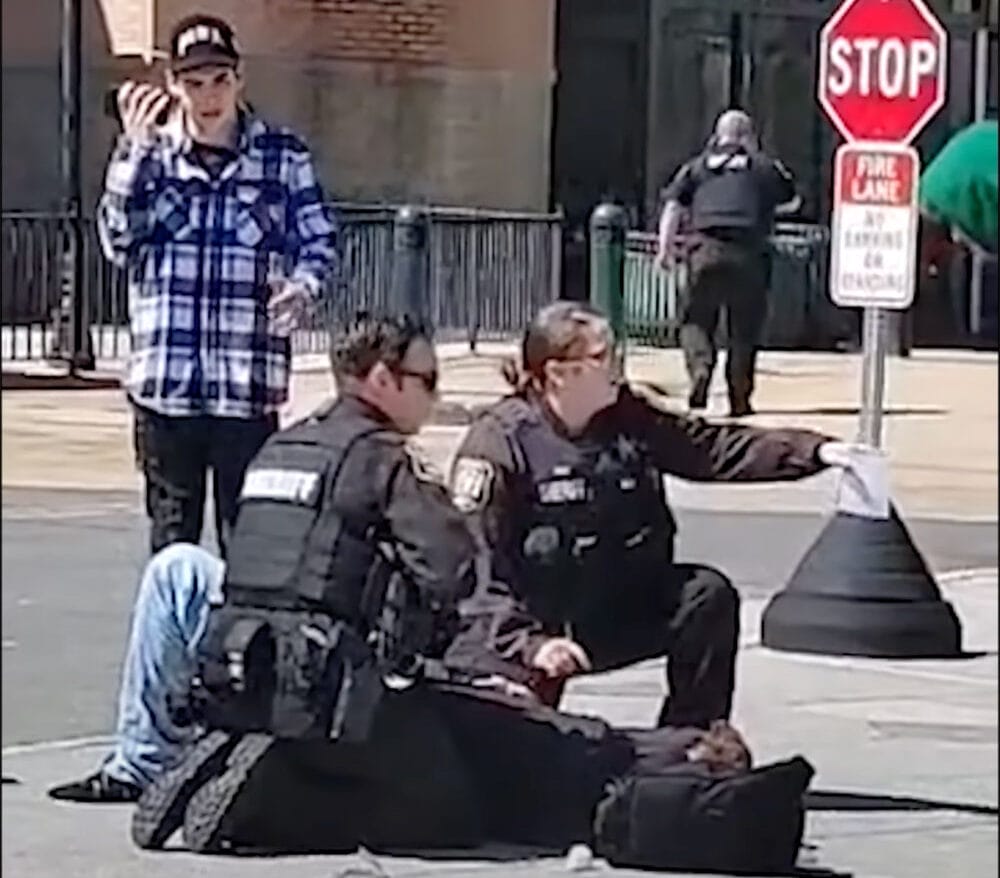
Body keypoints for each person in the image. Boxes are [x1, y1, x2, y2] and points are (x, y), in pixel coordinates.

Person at [47, 315, 474, 813]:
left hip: (240, 651)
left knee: (176, 568)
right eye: (428, 381)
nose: (436, 396)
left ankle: (144, 763)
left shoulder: (285, 445)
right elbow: (453, 573)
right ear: (382, 379)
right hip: (328, 670)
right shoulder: (389, 461)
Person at [444, 301, 864, 727]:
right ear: (560, 373)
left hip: (613, 609)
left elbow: (708, 447)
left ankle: (691, 745)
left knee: (705, 596)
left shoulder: (626, 418)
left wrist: (814, 452)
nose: (617, 368)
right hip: (532, 627)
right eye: (603, 357)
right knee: (517, 750)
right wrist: (526, 643)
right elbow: (473, 567)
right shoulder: (500, 443)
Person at [98, 13, 338, 555]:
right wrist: (133, 153)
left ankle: (240, 642)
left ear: (240, 79)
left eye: (220, 81)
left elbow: (317, 238)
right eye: (193, 83)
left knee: (247, 543)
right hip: (167, 388)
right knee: (172, 543)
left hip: (245, 386)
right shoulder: (150, 157)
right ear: (172, 85)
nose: (209, 97)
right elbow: (117, 241)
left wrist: (303, 286)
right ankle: (175, 641)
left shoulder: (282, 156)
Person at [656, 109, 801, 416]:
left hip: (703, 251)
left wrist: (665, 249)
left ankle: (700, 371)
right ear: (749, 137)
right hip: (748, 254)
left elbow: (673, 207)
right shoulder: (763, 167)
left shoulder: (696, 167)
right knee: (745, 329)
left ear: (717, 135)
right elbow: (792, 200)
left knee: (696, 320)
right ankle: (739, 398)